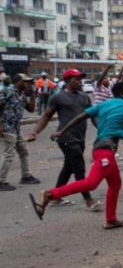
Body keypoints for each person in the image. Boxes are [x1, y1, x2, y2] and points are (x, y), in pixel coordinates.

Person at [29, 82, 123, 229]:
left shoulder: (103, 105)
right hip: (105, 151)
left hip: (101, 149)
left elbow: (79, 117)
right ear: (122, 94)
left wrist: (62, 131)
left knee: (115, 185)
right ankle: (51, 194)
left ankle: (111, 220)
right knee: (91, 183)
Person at [28, 69, 101, 211]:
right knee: (79, 168)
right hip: (65, 137)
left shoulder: (84, 97)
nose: (80, 81)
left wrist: (102, 130)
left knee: (68, 167)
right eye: (77, 79)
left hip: (80, 138)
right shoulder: (58, 97)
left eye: (81, 79)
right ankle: (88, 199)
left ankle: (55, 196)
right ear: (68, 81)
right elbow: (47, 115)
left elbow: (92, 116)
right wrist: (35, 131)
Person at [0, 74, 41, 191]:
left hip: (17, 127)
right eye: (26, 82)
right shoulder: (8, 91)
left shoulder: (21, 94)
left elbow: (31, 109)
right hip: (7, 126)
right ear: (18, 82)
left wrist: (33, 94)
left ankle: (26, 176)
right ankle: (1, 180)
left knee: (23, 151)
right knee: (8, 154)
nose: (28, 84)